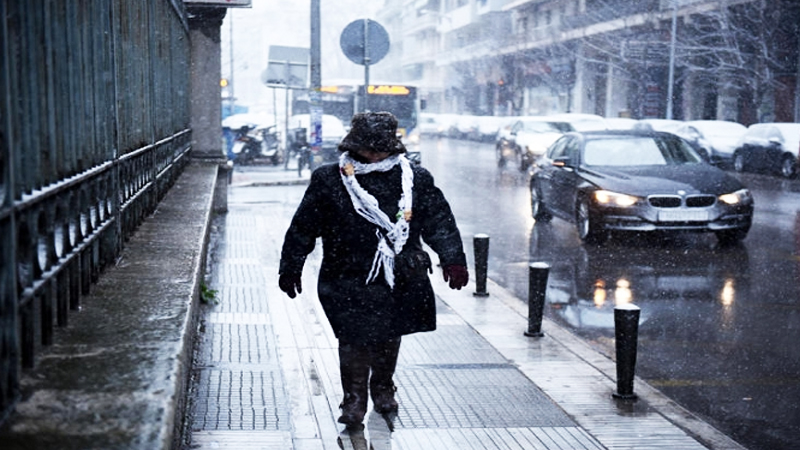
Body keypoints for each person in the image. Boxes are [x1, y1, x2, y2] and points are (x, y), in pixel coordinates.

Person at [278, 111, 469, 427]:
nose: (374, 154)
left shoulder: (414, 178)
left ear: (392, 147)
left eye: (380, 148)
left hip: (399, 274)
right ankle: (353, 399)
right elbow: (304, 225)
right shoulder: (330, 179)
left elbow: (439, 221)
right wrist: (291, 265)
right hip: (345, 274)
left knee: (388, 333)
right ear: (354, 146)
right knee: (353, 337)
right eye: (368, 147)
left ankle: (382, 385)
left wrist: (453, 259)